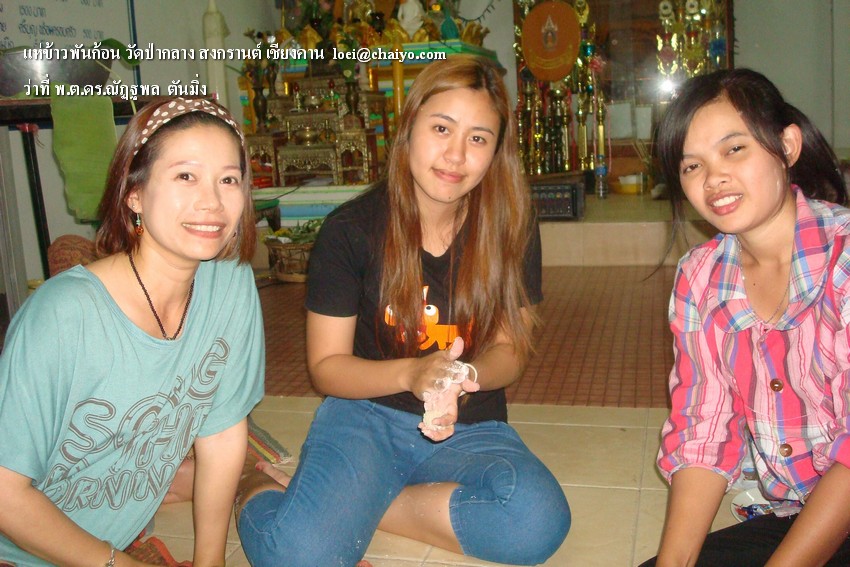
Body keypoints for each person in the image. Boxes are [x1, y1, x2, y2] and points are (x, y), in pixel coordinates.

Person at [235, 55, 570, 566]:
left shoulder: (511, 228)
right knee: (298, 556)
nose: (456, 154)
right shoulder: (351, 231)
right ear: (409, 126)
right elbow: (326, 368)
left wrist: (464, 376)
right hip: (365, 416)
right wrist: (412, 373)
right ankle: (252, 481)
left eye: (478, 138)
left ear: (496, 152)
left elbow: (511, 351)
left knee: (536, 522)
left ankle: (364, 506)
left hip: (469, 426)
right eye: (442, 128)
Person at [0, 97, 265, 566]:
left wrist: (210, 561)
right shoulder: (64, 316)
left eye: (228, 179)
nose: (212, 202)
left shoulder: (230, 283)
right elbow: (5, 495)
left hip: (114, 538)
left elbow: (222, 432)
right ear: (134, 194)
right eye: (185, 176)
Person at [642, 68, 850, 567]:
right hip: (803, 511)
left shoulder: (843, 260)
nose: (713, 179)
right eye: (692, 166)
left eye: (734, 149)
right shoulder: (700, 278)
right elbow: (704, 429)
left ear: (787, 146)